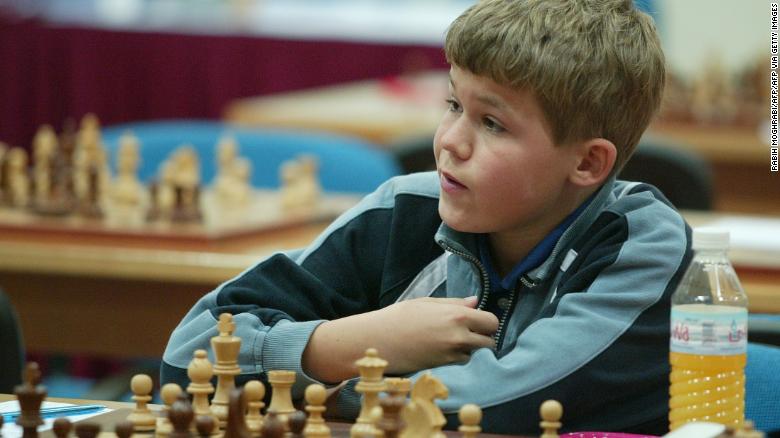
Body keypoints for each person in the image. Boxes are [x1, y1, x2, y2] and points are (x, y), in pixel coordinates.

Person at [162, 0, 688, 434]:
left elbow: (509, 407)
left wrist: (342, 388)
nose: (450, 142)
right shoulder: (404, 210)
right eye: (454, 105)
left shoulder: (641, 244)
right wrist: (351, 343)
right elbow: (189, 355)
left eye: (493, 124)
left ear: (587, 162)